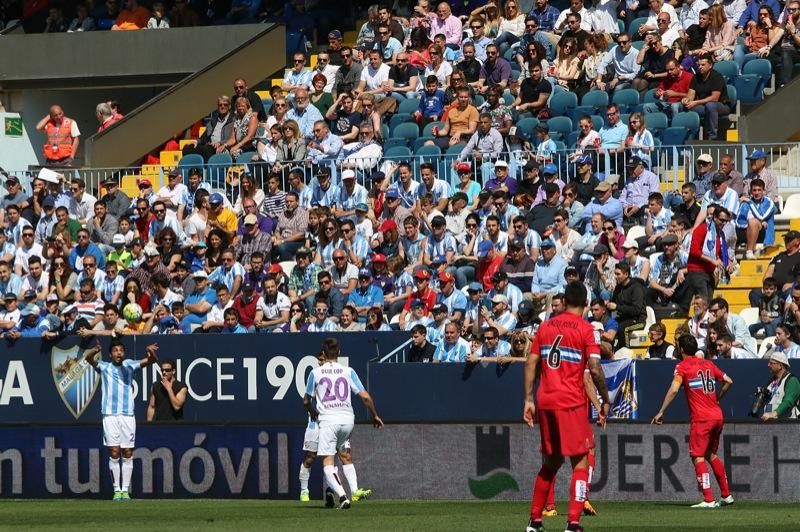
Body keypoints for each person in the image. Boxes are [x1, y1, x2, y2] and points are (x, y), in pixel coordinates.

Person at [524, 281, 610, 532]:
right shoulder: (586, 330)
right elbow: (594, 369)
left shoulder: (546, 326)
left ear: (564, 302)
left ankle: (534, 521)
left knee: (551, 461)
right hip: (570, 401)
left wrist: (528, 399)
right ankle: (573, 523)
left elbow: (530, 363)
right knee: (581, 462)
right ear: (585, 304)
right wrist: (605, 399)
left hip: (546, 400)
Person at [651, 334, 734, 508]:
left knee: (697, 456)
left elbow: (674, 390)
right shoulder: (708, 364)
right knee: (710, 454)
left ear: (681, 349)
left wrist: (661, 411)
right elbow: (728, 381)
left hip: (702, 418)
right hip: (717, 416)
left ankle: (709, 499)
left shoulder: (682, 366)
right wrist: (718, 398)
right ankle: (726, 495)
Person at [303, 338, 383, 509]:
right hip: (348, 421)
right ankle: (349, 491)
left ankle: (342, 495)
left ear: (323, 354)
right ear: (339, 353)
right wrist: (375, 415)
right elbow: (365, 397)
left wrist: (311, 411)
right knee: (344, 454)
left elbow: (305, 401)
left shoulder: (315, 373)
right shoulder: (348, 371)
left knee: (327, 462)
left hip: (328, 420)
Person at [84, 339, 158, 501]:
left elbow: (152, 360)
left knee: (128, 452)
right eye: (115, 350)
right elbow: (88, 359)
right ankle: (117, 490)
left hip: (127, 415)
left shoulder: (130, 365)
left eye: (121, 350)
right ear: (110, 354)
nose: (119, 353)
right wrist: (95, 350)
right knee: (114, 452)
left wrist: (150, 351)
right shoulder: (104, 367)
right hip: (110, 415)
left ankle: (125, 490)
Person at [681, 54, 731, 141]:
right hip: (703, 105)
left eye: (703, 65)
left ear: (710, 65)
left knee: (710, 105)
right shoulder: (696, 77)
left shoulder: (716, 77)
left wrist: (696, 102)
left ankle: (712, 136)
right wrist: (687, 100)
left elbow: (715, 98)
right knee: (684, 106)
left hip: (721, 105)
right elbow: (691, 94)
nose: (700, 67)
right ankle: (687, 136)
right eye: (698, 65)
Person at [761, 350, 800, 420]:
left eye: (771, 363)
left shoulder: (792, 380)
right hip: (771, 422)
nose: (768, 365)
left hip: (787, 424)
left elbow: (788, 401)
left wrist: (774, 413)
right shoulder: (772, 381)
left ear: (780, 365)